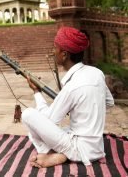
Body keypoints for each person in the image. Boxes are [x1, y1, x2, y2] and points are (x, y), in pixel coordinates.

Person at [22, 26, 114, 168]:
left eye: (55, 48)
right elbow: (109, 102)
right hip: (97, 147)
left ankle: (54, 153)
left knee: (28, 115)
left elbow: (50, 121)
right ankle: (63, 153)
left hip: (79, 148)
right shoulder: (97, 73)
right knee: (45, 130)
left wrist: (36, 92)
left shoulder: (72, 86)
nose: (53, 52)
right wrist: (85, 111)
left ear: (64, 54)